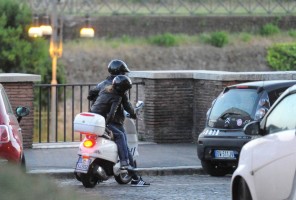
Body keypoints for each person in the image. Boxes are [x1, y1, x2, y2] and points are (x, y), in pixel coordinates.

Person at [90, 74, 150, 187]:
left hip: (93, 119)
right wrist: (106, 125)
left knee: (118, 136)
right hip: (105, 121)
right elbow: (113, 113)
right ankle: (125, 165)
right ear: (122, 88)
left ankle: (131, 174)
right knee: (121, 136)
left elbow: (94, 101)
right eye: (126, 89)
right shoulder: (117, 96)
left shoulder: (104, 89)